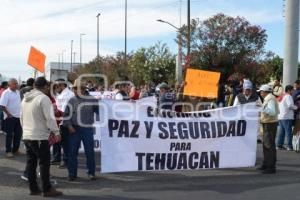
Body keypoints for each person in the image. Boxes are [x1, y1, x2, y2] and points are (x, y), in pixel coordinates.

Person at [20, 77, 63, 197]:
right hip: (39, 136)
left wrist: (25, 131)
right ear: (45, 87)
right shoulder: (44, 98)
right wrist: (56, 132)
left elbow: (21, 117)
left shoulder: (25, 99)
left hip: (27, 135)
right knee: (44, 163)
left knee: (31, 163)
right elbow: (50, 118)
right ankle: (47, 189)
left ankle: (33, 188)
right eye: (48, 86)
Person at [63, 79, 99, 181]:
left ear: (83, 89)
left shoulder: (92, 99)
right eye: (74, 89)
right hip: (74, 129)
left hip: (87, 129)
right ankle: (72, 174)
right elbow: (66, 116)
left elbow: (101, 112)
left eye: (76, 89)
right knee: (72, 152)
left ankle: (91, 173)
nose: (74, 91)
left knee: (89, 152)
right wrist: (69, 126)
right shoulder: (71, 100)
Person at [257, 84, 280, 174]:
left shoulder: (270, 99)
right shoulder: (270, 98)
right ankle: (266, 164)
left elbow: (272, 111)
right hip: (268, 123)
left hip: (269, 124)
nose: (260, 93)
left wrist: (262, 108)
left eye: (261, 92)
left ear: (264, 92)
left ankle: (270, 166)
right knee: (266, 144)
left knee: (268, 145)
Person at [54, 79, 74, 168]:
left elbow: (66, 110)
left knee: (65, 143)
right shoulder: (60, 94)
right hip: (59, 121)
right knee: (59, 141)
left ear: (62, 85)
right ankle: (58, 158)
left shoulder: (69, 95)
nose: (55, 88)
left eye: (57, 86)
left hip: (66, 122)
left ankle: (66, 160)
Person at [0, 78, 22, 158]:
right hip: (10, 117)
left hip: (18, 117)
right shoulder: (6, 93)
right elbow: (2, 105)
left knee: (18, 134)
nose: (16, 85)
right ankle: (8, 151)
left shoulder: (18, 92)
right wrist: (8, 114)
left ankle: (15, 150)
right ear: (9, 85)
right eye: (14, 83)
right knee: (9, 135)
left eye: (16, 83)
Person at [276, 85, 297, 151]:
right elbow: (290, 106)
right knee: (288, 132)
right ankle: (289, 146)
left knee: (281, 132)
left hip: (280, 116)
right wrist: (296, 107)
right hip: (287, 116)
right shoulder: (288, 96)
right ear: (289, 90)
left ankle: (279, 145)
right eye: (292, 90)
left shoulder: (282, 96)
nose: (293, 91)